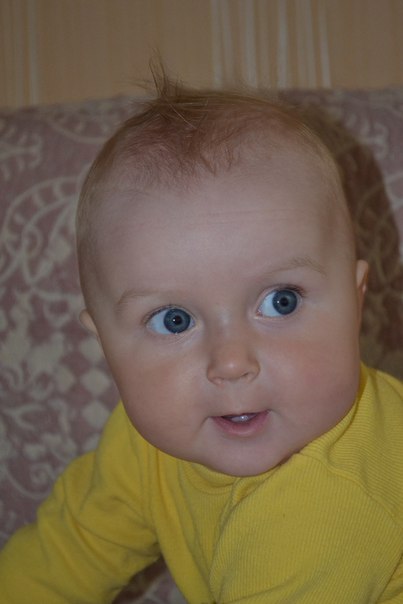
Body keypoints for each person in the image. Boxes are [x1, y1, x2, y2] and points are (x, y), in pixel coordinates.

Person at [1, 73, 403, 604]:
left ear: (356, 301)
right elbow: (66, 555)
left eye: (280, 301)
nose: (231, 363)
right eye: (174, 320)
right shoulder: (150, 439)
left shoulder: (325, 504)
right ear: (106, 345)